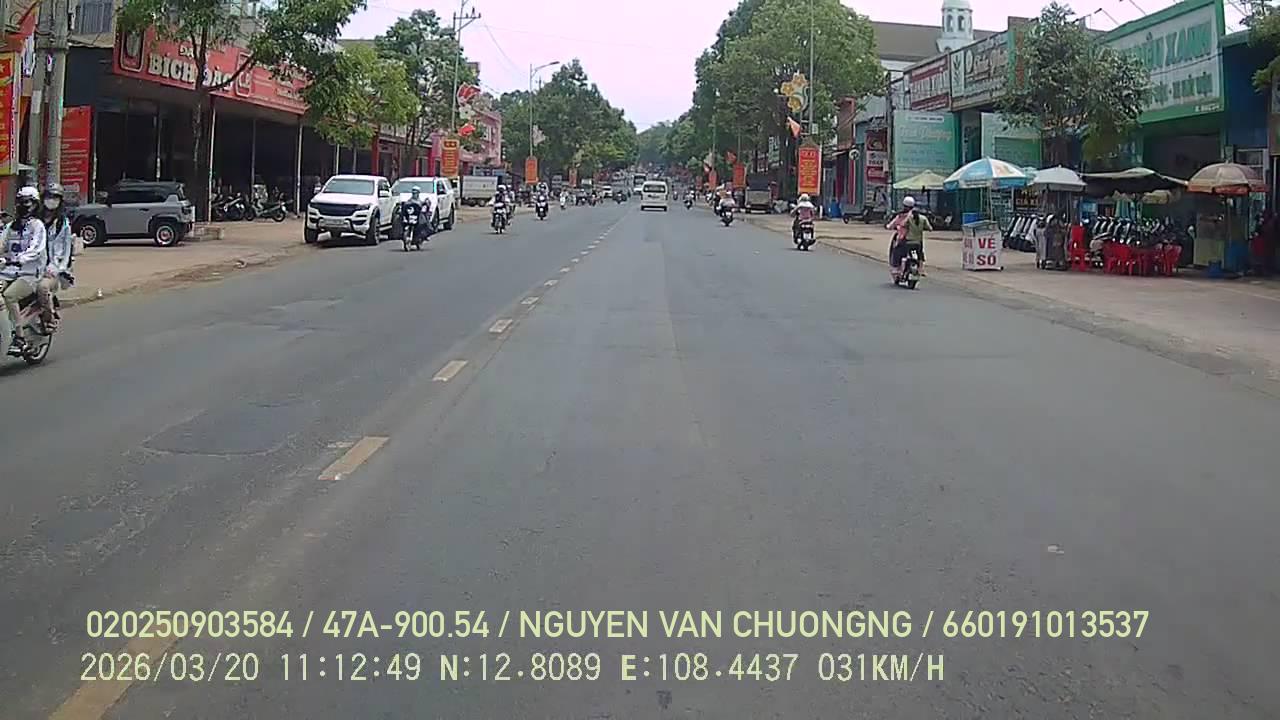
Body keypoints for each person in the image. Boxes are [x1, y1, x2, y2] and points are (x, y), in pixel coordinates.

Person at [1, 186, 48, 346]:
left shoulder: (37, 226)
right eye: (21, 202)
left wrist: (20, 259)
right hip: (7, 272)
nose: (25, 206)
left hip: (29, 274)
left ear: (35, 205)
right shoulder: (10, 227)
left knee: (9, 295)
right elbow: (1, 244)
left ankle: (19, 335)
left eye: (28, 202)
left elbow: (36, 248)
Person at [38, 184, 73, 330]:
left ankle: (49, 319)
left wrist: (59, 268)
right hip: (33, 266)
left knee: (43, 288)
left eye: (55, 198)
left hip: (53, 268)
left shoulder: (62, 223)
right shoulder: (35, 220)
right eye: (49, 197)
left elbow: (67, 250)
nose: (51, 201)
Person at [886, 196, 930, 272]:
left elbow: (896, 224)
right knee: (920, 252)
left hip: (905, 238)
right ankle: (921, 268)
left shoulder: (902, 215)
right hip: (918, 240)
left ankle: (896, 268)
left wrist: (889, 226)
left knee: (897, 251)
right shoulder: (920, 217)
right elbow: (929, 228)